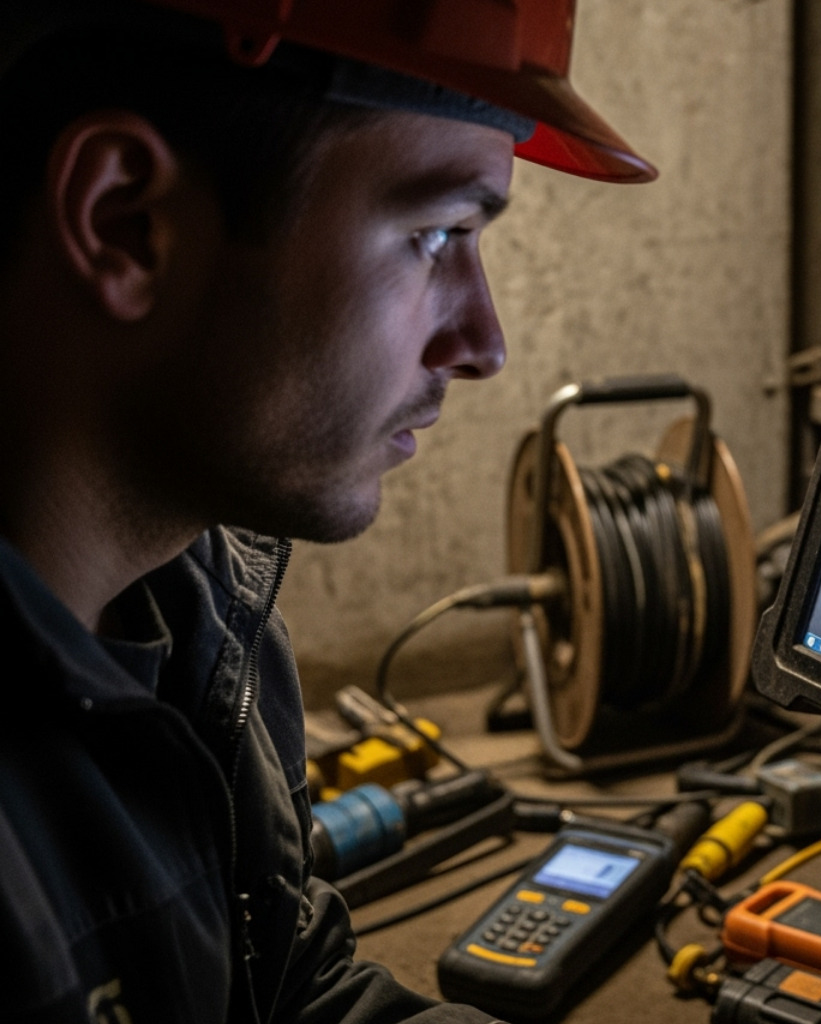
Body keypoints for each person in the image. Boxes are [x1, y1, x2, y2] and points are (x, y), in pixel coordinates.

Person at [0, 2, 653, 1021]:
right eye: (436, 234)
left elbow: (287, 990)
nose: (483, 343)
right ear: (129, 223)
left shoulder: (202, 603)